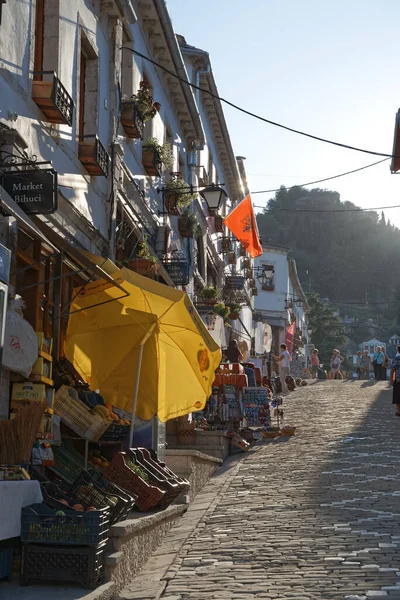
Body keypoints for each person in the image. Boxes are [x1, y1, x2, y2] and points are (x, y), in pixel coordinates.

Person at [390, 345, 400, 416]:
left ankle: (398, 411)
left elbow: (393, 369)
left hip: (398, 379)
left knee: (397, 396)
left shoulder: (397, 358)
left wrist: (391, 379)